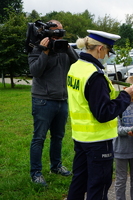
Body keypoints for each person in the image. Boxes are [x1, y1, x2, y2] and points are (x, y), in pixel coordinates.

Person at [66, 30, 133, 200]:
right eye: (107, 52)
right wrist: (125, 96)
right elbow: (104, 113)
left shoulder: (76, 67)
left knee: (79, 182)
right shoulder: (95, 75)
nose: (107, 55)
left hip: (81, 137)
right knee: (98, 187)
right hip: (98, 140)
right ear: (100, 49)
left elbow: (84, 97)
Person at [28, 19, 79, 186]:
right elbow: (35, 71)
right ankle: (35, 173)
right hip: (43, 100)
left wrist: (68, 47)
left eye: (61, 32)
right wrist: (44, 51)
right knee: (39, 138)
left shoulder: (64, 49)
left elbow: (77, 63)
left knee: (58, 137)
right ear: (48, 33)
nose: (59, 35)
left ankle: (55, 166)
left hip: (62, 100)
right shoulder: (37, 48)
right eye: (56, 32)